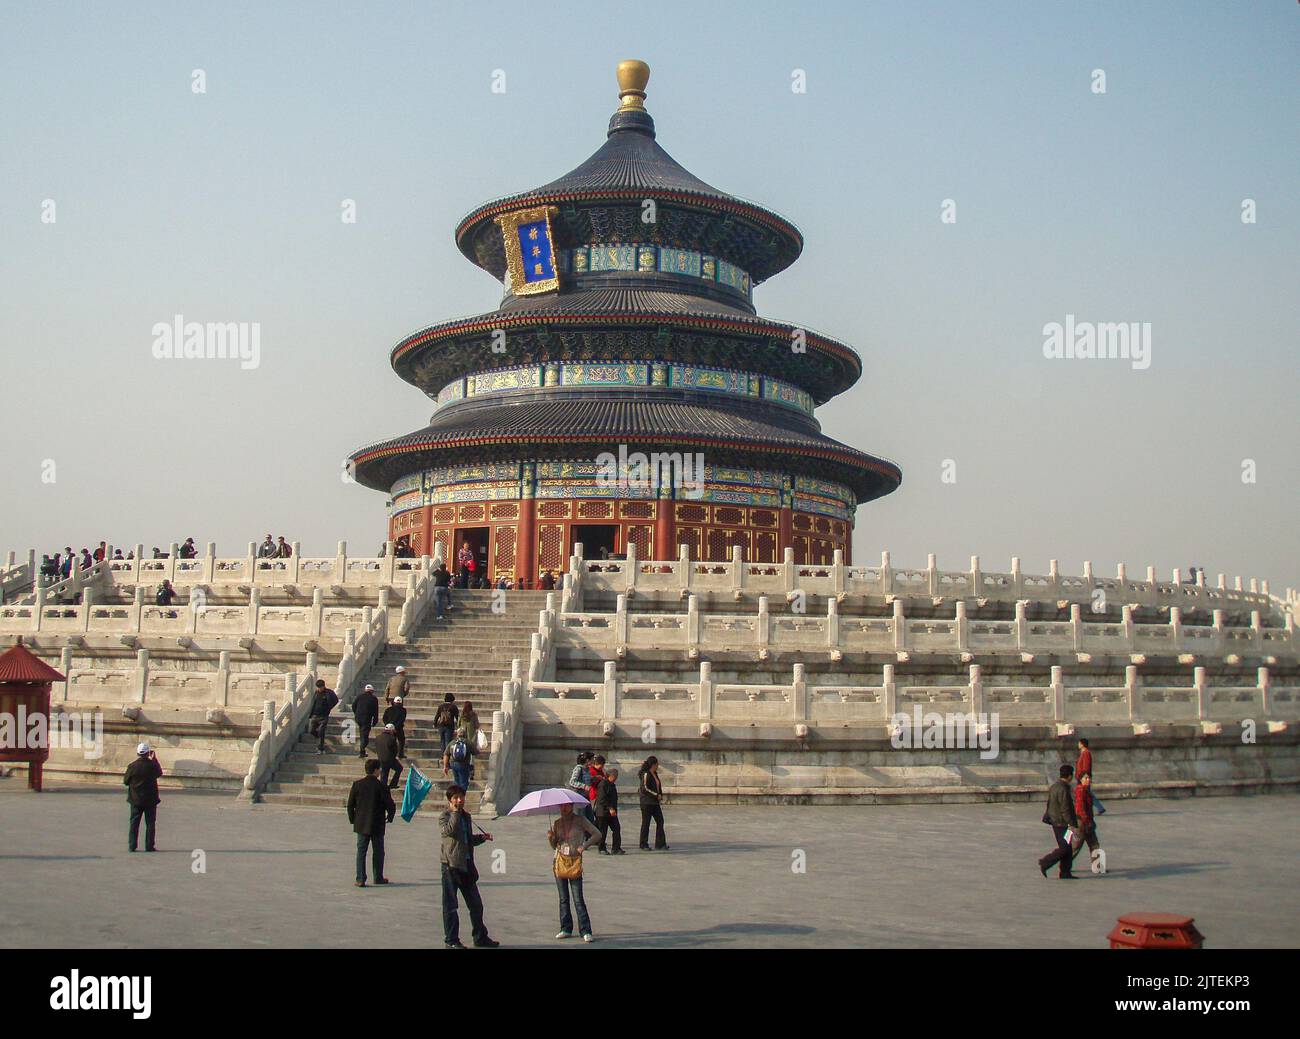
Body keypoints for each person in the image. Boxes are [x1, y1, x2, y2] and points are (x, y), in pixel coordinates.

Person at [439, 784, 498, 948]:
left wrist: (481, 838)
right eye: (456, 798)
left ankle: (480, 937)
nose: (459, 801)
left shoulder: (466, 817)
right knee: (451, 906)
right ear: (450, 800)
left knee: (476, 905)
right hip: (450, 866)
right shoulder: (445, 816)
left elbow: (467, 839)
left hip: (466, 865)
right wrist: (456, 813)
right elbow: (449, 831)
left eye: (461, 797)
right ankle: (451, 940)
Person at [548, 801, 601, 942]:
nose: (564, 808)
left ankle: (585, 930)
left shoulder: (580, 820)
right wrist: (551, 838)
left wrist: (584, 846)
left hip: (574, 862)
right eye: (561, 806)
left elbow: (597, 834)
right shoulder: (557, 823)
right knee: (563, 899)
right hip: (560, 862)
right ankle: (565, 928)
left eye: (567, 806)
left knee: (578, 899)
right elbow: (554, 845)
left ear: (572, 806)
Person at [346, 759, 395, 887]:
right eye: (379, 769)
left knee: (361, 851)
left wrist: (353, 820)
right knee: (378, 851)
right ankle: (378, 877)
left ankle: (360, 878)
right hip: (377, 824)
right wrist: (390, 816)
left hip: (361, 824)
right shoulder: (382, 786)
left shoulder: (357, 785)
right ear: (376, 770)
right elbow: (390, 804)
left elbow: (350, 805)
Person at [1038, 764, 1079, 879]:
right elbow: (1065, 808)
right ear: (1070, 776)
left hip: (1056, 821)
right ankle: (1045, 862)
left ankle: (1065, 872)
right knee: (1065, 847)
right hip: (1062, 823)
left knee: (1068, 847)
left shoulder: (1055, 786)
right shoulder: (1063, 788)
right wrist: (1071, 824)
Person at [124, 742, 163, 852]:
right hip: (150, 800)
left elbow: (126, 781)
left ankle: (132, 845)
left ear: (137, 753)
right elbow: (159, 773)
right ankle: (149, 846)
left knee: (134, 823)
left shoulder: (132, 766)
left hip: (135, 799)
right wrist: (154, 759)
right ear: (147, 753)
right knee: (150, 823)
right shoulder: (152, 766)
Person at [1070, 772, 1104, 873]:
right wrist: (1087, 821)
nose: (1088, 780)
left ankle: (1097, 867)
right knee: (1076, 846)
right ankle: (1065, 865)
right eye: (1086, 778)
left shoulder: (1086, 790)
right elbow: (1080, 808)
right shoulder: (1080, 791)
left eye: (1089, 778)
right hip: (1082, 823)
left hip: (1088, 822)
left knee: (1094, 844)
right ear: (1080, 779)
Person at [638, 755, 669, 850]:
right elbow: (644, 788)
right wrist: (656, 795)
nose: (658, 766)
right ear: (653, 764)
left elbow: (658, 786)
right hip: (647, 802)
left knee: (660, 821)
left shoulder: (655, 773)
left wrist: (660, 794)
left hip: (655, 802)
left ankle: (660, 843)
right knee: (646, 823)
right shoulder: (646, 774)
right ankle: (643, 844)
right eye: (657, 764)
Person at [594, 767, 624, 854]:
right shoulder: (603, 784)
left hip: (612, 812)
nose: (616, 778)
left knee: (616, 828)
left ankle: (616, 848)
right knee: (603, 831)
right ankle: (601, 848)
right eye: (615, 776)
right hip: (603, 812)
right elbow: (602, 799)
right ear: (610, 776)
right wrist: (610, 808)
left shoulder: (612, 784)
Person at [1075, 737, 1105, 815]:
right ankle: (1099, 808)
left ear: (1082, 744)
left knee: (1086, 793)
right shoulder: (1083, 753)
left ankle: (1099, 807)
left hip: (1083, 778)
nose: (1078, 745)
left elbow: (1086, 766)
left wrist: (1084, 777)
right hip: (1081, 777)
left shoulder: (1086, 753)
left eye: (1079, 743)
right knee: (1086, 793)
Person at [308, 678, 338, 754]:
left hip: (324, 716)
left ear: (323, 686)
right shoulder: (316, 693)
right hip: (315, 715)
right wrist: (311, 714)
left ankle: (320, 748)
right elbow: (313, 703)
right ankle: (319, 739)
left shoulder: (329, 692)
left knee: (321, 731)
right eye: (317, 687)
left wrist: (329, 707)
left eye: (320, 687)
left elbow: (336, 700)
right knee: (311, 731)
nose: (319, 689)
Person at [372, 724, 403, 789]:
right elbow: (395, 750)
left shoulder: (378, 737)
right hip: (390, 759)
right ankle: (393, 784)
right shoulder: (392, 738)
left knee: (384, 774)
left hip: (380, 758)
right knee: (399, 768)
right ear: (391, 730)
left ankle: (382, 787)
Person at [352, 683, 379, 758]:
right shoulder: (373, 699)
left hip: (358, 718)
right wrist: (375, 721)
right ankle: (362, 750)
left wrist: (356, 713)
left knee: (362, 732)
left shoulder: (359, 696)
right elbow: (375, 711)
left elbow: (353, 706)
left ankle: (362, 750)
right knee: (365, 735)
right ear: (372, 691)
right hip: (366, 718)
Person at [442, 726, 474, 790]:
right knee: (464, 783)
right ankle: (461, 797)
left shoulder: (452, 742)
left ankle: (456, 796)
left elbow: (446, 754)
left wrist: (445, 766)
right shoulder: (468, 742)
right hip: (464, 764)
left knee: (457, 782)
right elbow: (475, 752)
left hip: (453, 764)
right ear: (465, 734)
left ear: (457, 734)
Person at [585, 754, 606, 824]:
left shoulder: (601, 771)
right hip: (593, 795)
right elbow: (589, 781)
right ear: (596, 763)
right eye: (601, 765)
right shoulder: (591, 770)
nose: (602, 767)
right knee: (594, 814)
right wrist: (597, 778)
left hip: (599, 795)